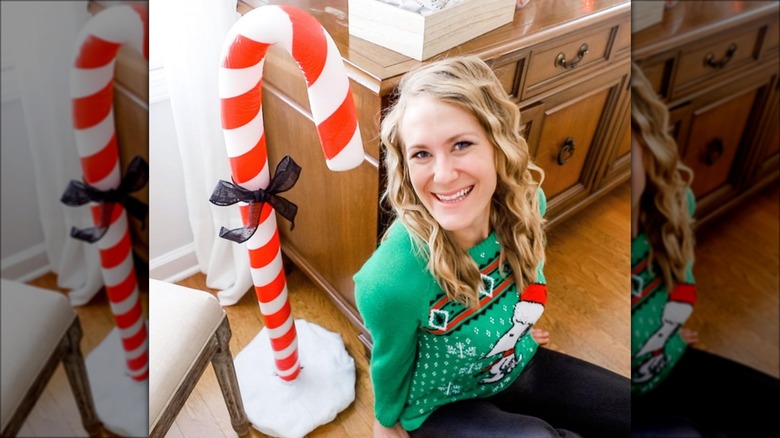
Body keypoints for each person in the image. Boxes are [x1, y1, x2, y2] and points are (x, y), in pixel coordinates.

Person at [354, 55, 630, 438]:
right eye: (421, 153)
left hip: (511, 361)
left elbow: (531, 273)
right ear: (405, 165)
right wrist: (384, 423)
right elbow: (390, 361)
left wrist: (519, 327)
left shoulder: (528, 206)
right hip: (440, 403)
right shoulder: (387, 280)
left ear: (499, 144)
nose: (444, 175)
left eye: (462, 144)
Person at [630, 61, 779, 437]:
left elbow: (681, 282)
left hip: (672, 362)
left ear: (647, 141)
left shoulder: (674, 208)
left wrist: (668, 326)